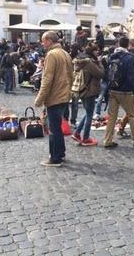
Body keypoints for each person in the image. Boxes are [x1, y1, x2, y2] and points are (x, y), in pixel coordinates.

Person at [35, 31, 73, 167]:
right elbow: (71, 75)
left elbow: (47, 80)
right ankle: (61, 153)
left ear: (49, 41)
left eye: (43, 40)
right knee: (57, 127)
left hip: (54, 97)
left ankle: (55, 158)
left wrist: (39, 99)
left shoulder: (51, 55)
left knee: (53, 129)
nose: (42, 43)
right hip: (63, 96)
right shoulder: (65, 53)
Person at [102, 37, 134, 149]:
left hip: (112, 89)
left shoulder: (112, 56)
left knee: (112, 116)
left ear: (118, 44)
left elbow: (107, 74)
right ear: (127, 46)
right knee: (131, 115)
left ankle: (107, 140)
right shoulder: (130, 58)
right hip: (125, 91)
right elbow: (131, 78)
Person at [71, 44, 104, 146]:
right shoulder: (89, 63)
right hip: (89, 90)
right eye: (96, 51)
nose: (97, 52)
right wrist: (100, 63)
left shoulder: (80, 61)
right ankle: (85, 138)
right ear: (92, 52)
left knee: (88, 112)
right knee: (89, 114)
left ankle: (77, 133)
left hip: (82, 89)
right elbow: (100, 74)